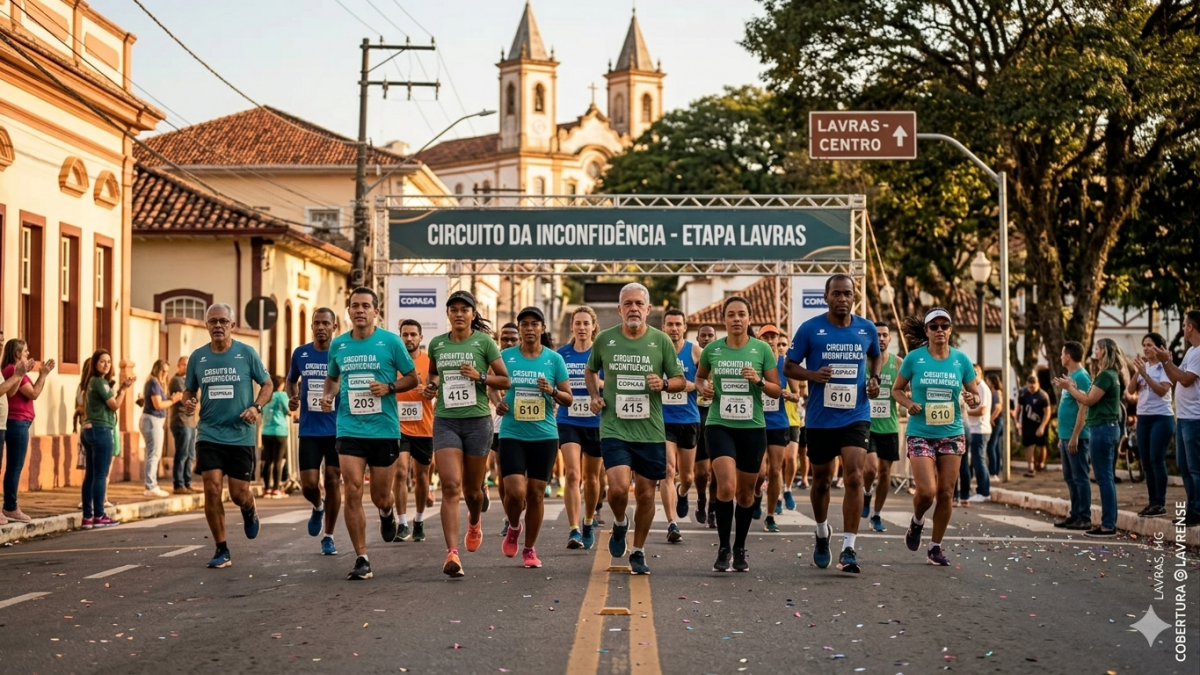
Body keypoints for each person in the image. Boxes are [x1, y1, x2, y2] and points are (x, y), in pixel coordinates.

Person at [783, 274, 882, 574]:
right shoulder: (811, 329)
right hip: (821, 417)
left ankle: (849, 547)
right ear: (826, 297)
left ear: (855, 297)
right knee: (822, 479)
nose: (842, 299)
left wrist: (874, 379)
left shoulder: (866, 329)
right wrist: (813, 376)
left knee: (854, 476)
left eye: (848, 294)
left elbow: (875, 357)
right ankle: (822, 531)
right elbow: (789, 365)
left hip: (856, 414)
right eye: (836, 294)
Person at [586, 282, 685, 575]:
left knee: (644, 494)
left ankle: (639, 549)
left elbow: (679, 379)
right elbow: (590, 370)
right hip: (614, 428)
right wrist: (594, 395)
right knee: (617, 490)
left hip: (650, 431)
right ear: (619, 309)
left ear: (648, 309)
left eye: (639, 304)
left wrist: (664, 384)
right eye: (627, 304)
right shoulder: (604, 340)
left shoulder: (661, 341)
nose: (633, 309)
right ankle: (619, 522)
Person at [321, 287, 419, 580]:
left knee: (379, 495)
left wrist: (389, 388)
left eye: (366, 305)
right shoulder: (338, 345)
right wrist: (328, 396)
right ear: (348, 311)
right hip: (349, 427)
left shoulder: (390, 342)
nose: (359, 310)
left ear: (376, 311)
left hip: (383, 429)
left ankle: (387, 511)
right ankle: (362, 557)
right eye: (354, 306)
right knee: (351, 488)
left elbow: (413, 378)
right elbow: (332, 378)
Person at [425, 290, 510, 577]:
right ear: (447, 314)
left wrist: (480, 376)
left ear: (473, 314)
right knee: (450, 486)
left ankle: (474, 520)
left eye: (465, 309)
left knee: (472, 491)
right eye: (454, 309)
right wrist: (431, 387)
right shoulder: (437, 344)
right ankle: (452, 553)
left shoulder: (484, 342)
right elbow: (434, 376)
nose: (459, 314)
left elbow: (505, 380)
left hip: (477, 421)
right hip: (446, 420)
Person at [183, 303, 273, 568]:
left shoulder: (246, 354)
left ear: (232, 325)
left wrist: (256, 408)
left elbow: (267, 384)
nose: (218, 326)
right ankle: (221, 548)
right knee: (211, 488)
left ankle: (249, 507)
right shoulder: (198, 357)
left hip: (241, 435)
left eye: (223, 321)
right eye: (213, 321)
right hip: (209, 432)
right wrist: (188, 402)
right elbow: (189, 391)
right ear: (206, 325)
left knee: (238, 493)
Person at [696, 297, 781, 571]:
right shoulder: (712, 350)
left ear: (749, 318)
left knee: (745, 495)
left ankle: (740, 547)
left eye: (741, 314)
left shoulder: (761, 350)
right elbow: (699, 378)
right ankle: (723, 548)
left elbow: (776, 390)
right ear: (724, 319)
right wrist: (703, 388)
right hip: (720, 424)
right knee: (726, 486)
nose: (736, 319)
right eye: (731, 314)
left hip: (752, 428)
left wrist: (758, 380)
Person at [892, 309, 981, 566]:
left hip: (951, 432)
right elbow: (896, 390)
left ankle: (935, 547)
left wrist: (971, 398)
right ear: (927, 331)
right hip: (920, 432)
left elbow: (975, 397)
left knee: (945, 492)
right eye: (934, 326)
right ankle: (917, 521)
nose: (940, 330)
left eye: (945, 325)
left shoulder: (961, 360)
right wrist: (908, 403)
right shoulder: (914, 359)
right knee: (927, 492)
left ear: (951, 330)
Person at [495, 307, 571, 568]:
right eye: (524, 324)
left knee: (536, 495)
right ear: (519, 329)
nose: (529, 328)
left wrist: (552, 391)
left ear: (542, 328)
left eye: (534, 324)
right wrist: (499, 403)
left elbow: (568, 397)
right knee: (515, 491)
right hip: (512, 432)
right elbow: (489, 385)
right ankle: (514, 525)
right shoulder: (505, 357)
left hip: (544, 434)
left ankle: (529, 548)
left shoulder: (554, 360)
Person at [1055, 338, 1127, 537]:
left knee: (1102, 479)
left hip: (1102, 429)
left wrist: (1070, 387)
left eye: (1097, 349)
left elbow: (1087, 400)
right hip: (1102, 429)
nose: (1094, 352)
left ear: (1104, 351)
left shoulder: (1104, 376)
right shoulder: (1107, 374)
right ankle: (1099, 520)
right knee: (1103, 478)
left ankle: (1105, 523)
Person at [286, 307, 342, 555]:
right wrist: (293, 397)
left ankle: (328, 536)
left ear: (334, 327)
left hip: (337, 429)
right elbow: (291, 380)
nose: (321, 327)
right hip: (309, 428)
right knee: (308, 485)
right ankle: (318, 506)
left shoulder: (341, 352)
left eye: (325, 323)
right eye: (316, 323)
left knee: (332, 480)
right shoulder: (301, 353)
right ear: (312, 327)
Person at [556, 306, 604, 550]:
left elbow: (612, 382)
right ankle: (574, 529)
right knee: (573, 474)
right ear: (572, 326)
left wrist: (592, 380)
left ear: (594, 326)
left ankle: (587, 520)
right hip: (569, 419)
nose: (582, 327)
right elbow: (556, 383)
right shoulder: (562, 354)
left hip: (595, 420)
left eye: (587, 323)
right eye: (578, 323)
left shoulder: (602, 352)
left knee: (592, 478)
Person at [2, 338, 56, 523]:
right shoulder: (13, 370)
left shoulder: (17, 371)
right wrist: (43, 375)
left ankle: (10, 505)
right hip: (17, 422)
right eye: (25, 351)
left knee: (14, 466)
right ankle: (10, 506)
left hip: (19, 422)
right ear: (17, 353)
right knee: (14, 467)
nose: (27, 353)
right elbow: (33, 393)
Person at [1154, 310, 1200, 526]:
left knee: (1195, 468)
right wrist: (1166, 362)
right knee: (1184, 465)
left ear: (1191, 327)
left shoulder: (1199, 352)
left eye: (1184, 324)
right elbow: (1176, 375)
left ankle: (1197, 510)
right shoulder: (1191, 351)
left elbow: (1185, 379)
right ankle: (1192, 508)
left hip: (1195, 419)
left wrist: (1166, 362)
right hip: (1184, 418)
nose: (1182, 328)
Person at [80, 350, 134, 529]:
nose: (106, 365)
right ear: (94, 363)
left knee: (91, 475)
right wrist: (124, 390)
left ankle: (87, 517)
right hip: (100, 430)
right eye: (102, 361)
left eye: (109, 361)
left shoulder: (90, 383)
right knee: (100, 475)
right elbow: (115, 405)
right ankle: (99, 515)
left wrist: (120, 388)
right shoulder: (99, 382)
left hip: (88, 429)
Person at [661, 309, 701, 544]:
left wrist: (689, 385)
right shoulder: (657, 351)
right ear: (663, 327)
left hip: (689, 419)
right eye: (670, 324)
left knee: (687, 477)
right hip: (664, 420)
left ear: (684, 328)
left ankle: (682, 492)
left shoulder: (695, 351)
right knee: (667, 469)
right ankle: (672, 522)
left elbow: (705, 381)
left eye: (678, 324)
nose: (674, 328)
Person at [393, 319, 435, 542]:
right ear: (400, 337)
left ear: (421, 338)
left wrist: (430, 391)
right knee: (400, 472)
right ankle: (401, 522)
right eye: (405, 335)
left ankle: (418, 519)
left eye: (413, 335)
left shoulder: (430, 362)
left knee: (421, 476)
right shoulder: (393, 362)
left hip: (424, 426)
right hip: (398, 427)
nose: (409, 339)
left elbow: (439, 388)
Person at [1128, 333, 1175, 518]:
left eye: (1150, 345)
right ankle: (1152, 502)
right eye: (1144, 345)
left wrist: (1146, 376)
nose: (1146, 348)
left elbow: (1163, 390)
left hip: (1161, 418)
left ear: (1159, 348)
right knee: (1146, 461)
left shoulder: (1165, 367)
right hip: (1144, 418)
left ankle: (1160, 502)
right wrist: (1137, 372)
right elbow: (1131, 390)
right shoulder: (1143, 367)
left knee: (1156, 459)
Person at [865, 322, 901, 531]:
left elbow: (908, 389)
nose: (881, 338)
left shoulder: (898, 363)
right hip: (866, 425)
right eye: (877, 335)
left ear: (889, 339)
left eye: (884, 335)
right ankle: (867, 492)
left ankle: (876, 515)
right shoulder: (863, 362)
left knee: (885, 473)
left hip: (889, 426)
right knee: (871, 468)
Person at [755, 324, 791, 533]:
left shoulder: (785, 364)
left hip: (778, 422)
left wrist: (789, 395)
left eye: (773, 336)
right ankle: (757, 494)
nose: (769, 340)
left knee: (775, 470)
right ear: (760, 339)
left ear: (778, 339)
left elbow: (797, 393)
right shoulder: (754, 362)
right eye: (765, 336)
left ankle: (770, 515)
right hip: (756, 422)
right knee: (759, 472)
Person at [1054, 341, 1092, 530]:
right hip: (1066, 436)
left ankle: (1084, 516)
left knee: (1080, 477)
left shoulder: (1082, 377)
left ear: (1068, 356)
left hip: (1076, 437)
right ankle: (1075, 514)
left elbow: (1082, 408)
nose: (1061, 357)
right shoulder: (1071, 376)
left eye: (1062, 353)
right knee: (1070, 477)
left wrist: (1075, 435)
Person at [491, 322, 520, 535]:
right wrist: (498, 401)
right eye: (504, 339)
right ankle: (509, 517)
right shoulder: (495, 360)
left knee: (524, 477)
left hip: (529, 424)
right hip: (501, 424)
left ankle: (519, 509)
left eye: (513, 339)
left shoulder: (527, 357)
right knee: (503, 473)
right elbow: (490, 386)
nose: (508, 342)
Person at [140, 359, 181, 498]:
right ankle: (150, 485)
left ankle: (151, 484)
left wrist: (170, 398)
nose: (165, 373)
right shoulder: (153, 382)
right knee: (154, 454)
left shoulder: (158, 383)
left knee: (153, 453)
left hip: (154, 421)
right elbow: (158, 405)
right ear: (156, 369)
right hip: (152, 420)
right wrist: (173, 400)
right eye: (162, 370)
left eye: (167, 371)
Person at [693, 324, 718, 527]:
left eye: (711, 335)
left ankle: (713, 508)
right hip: (696, 418)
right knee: (701, 473)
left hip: (717, 419)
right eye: (704, 336)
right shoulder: (694, 362)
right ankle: (701, 499)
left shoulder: (721, 360)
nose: (707, 338)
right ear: (698, 338)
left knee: (717, 471)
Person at [961, 364, 992, 504]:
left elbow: (982, 410)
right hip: (973, 429)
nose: (974, 375)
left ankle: (984, 491)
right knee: (975, 461)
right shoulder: (973, 388)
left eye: (976, 372)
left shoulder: (983, 388)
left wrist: (964, 412)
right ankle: (982, 490)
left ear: (981, 373)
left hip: (980, 430)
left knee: (979, 462)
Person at [168, 356, 198, 494]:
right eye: (184, 364)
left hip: (191, 422)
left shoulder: (189, 381)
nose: (186, 367)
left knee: (191, 454)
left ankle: (187, 482)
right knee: (182, 453)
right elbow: (187, 399)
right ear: (178, 366)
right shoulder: (176, 381)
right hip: (180, 421)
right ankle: (178, 484)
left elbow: (196, 398)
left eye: (188, 365)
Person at [260, 375, 290, 498]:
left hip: (266, 431)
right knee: (278, 461)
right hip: (280, 431)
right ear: (281, 385)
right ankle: (276, 488)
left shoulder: (266, 396)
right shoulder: (282, 396)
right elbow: (289, 410)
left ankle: (267, 488)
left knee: (268, 461)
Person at [1018, 374, 1050, 477]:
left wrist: (1042, 426)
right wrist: (1017, 422)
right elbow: (1018, 408)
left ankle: (1040, 464)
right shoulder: (1023, 394)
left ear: (1038, 383)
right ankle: (1030, 467)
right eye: (1029, 384)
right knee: (1028, 445)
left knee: (1041, 444)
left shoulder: (1043, 395)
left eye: (1034, 383)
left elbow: (1047, 412)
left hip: (1040, 422)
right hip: (1027, 424)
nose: (1031, 386)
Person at [985, 373, 1005, 479]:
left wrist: (990, 419)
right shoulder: (994, 393)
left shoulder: (996, 393)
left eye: (987, 380)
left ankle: (993, 472)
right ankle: (995, 471)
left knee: (991, 446)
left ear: (992, 382)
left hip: (996, 422)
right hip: (996, 421)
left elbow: (998, 408)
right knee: (995, 446)